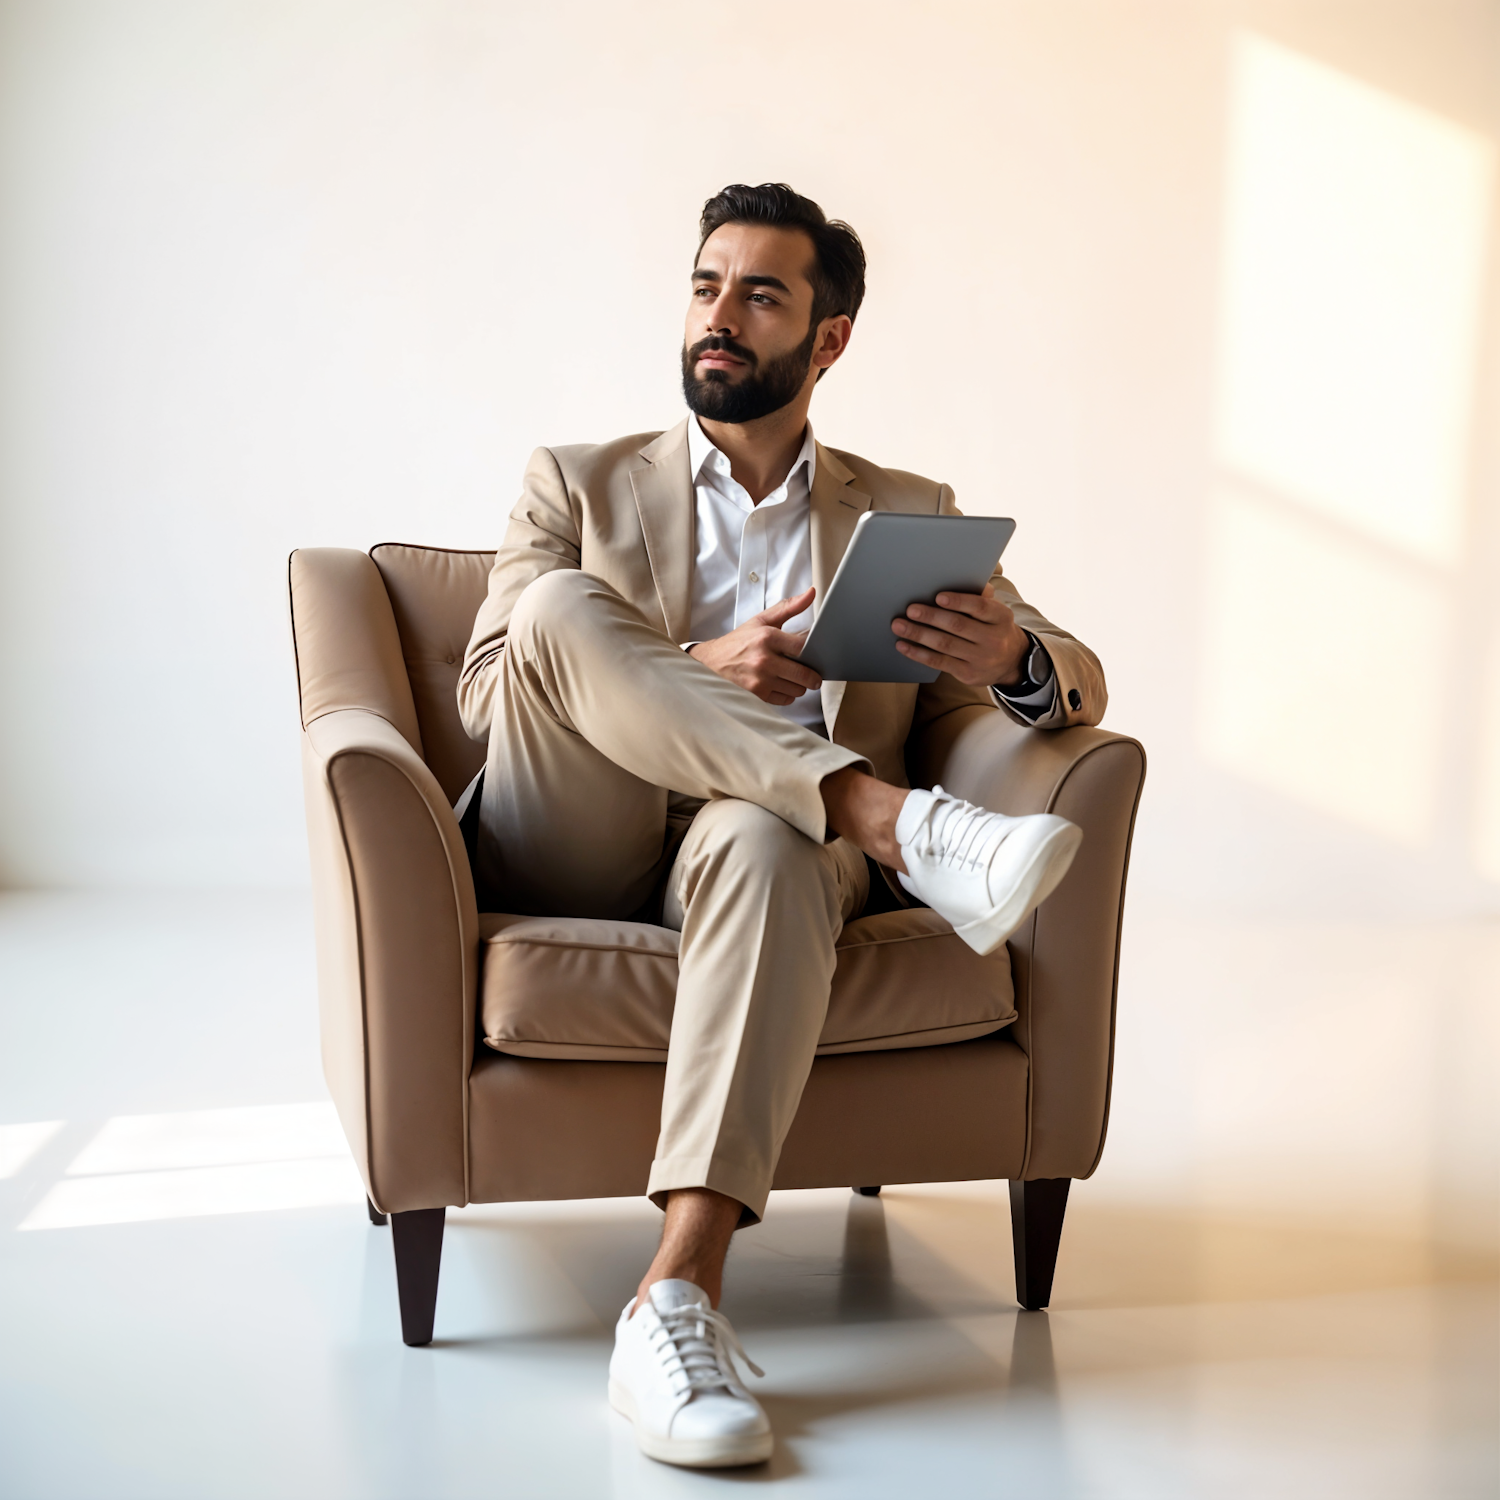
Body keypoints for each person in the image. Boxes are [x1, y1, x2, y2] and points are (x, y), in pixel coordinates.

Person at [457, 183, 1106, 1469]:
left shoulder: (905, 513)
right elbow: (490, 694)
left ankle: (677, 1297)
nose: (721, 316)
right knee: (558, 612)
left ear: (828, 338)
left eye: (762, 294)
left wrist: (1016, 654)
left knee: (770, 835)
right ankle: (896, 820)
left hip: (759, 856)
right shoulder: (576, 482)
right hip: (578, 824)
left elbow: (1075, 668)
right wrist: (702, 665)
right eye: (707, 285)